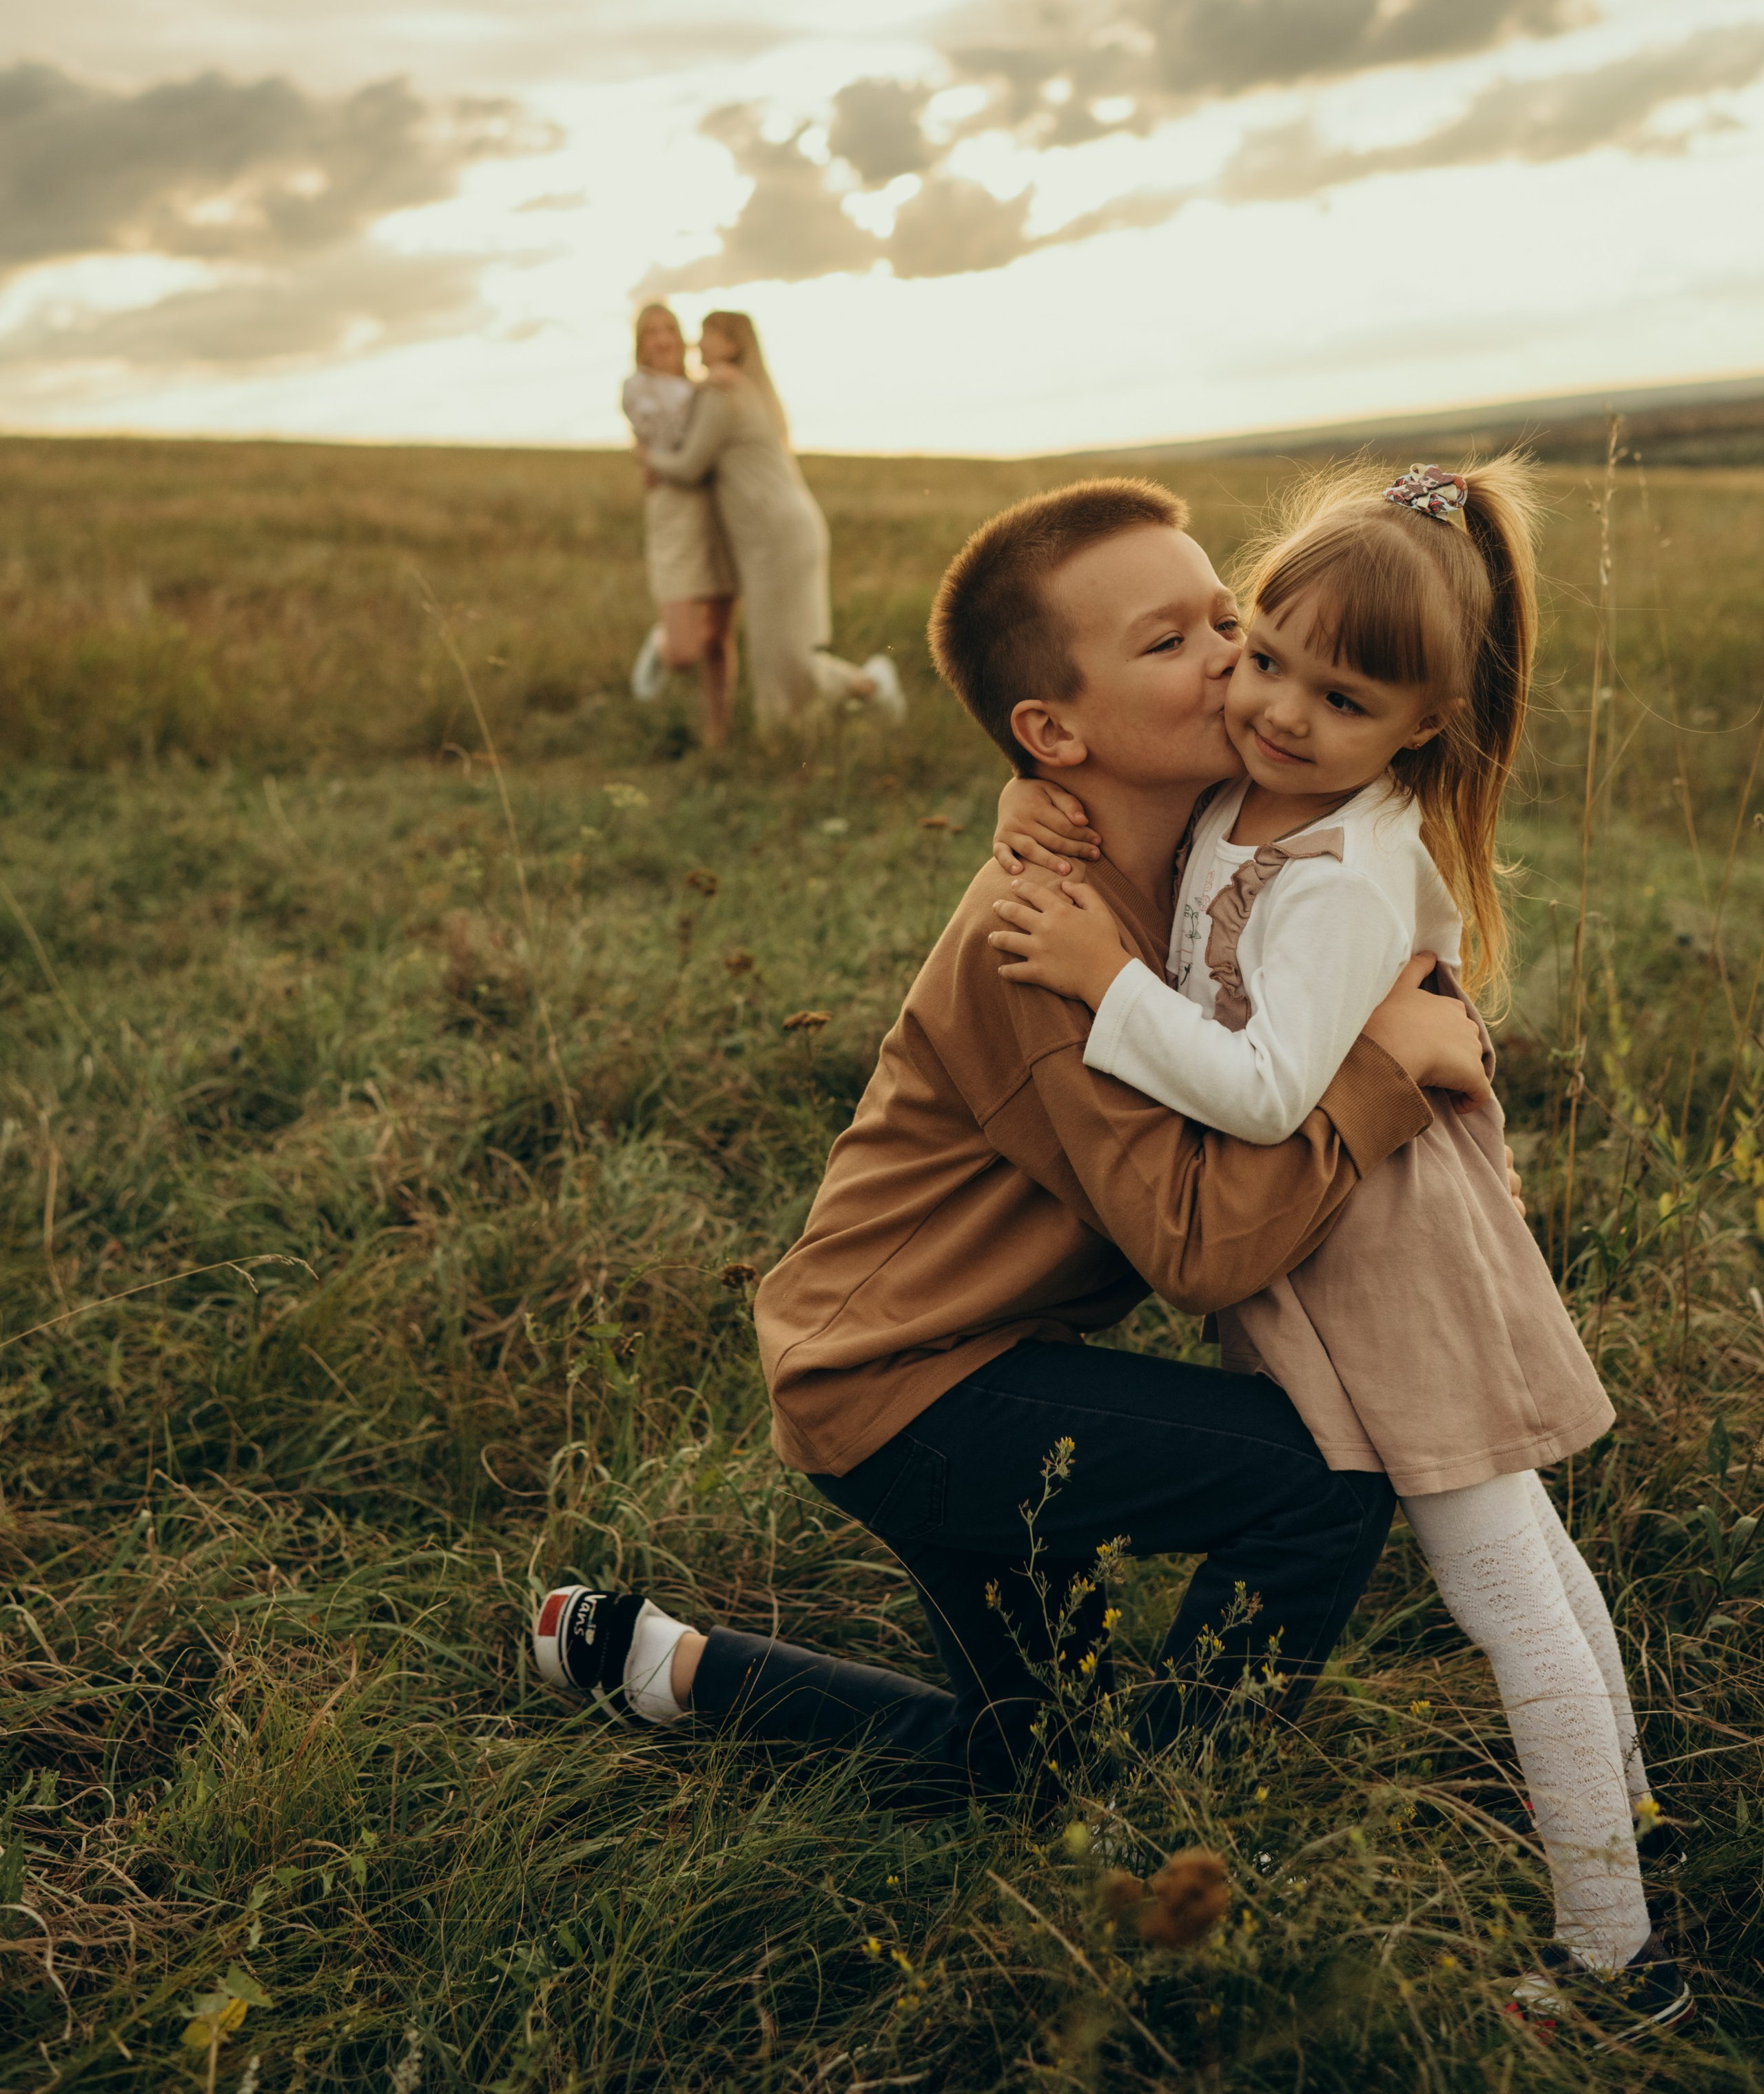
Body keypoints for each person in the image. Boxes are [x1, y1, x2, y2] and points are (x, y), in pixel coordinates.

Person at [530, 480, 1496, 1807]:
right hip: (909, 1385)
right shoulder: (1049, 942)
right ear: (1054, 727)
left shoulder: (1186, 852)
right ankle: (1171, 1829)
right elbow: (1202, 1250)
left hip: (943, 1356)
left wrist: (1027, 789)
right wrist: (1386, 1074)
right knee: (1319, 1483)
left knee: (1032, 1770)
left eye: (1229, 615)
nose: (1235, 660)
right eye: (1173, 645)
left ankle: (672, 1667)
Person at [985, 460, 1689, 2042]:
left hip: (1389, 1267)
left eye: (1343, 693)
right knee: (1533, 1560)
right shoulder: (1251, 796)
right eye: (1266, 652)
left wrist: (1103, 976)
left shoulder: (1345, 876)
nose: (1282, 708)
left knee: (1499, 1579)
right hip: (1342, 1243)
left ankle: (1613, 1957)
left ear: (1420, 724)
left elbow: (1258, 1087)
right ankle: (1634, 1825)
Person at [639, 310, 904, 731]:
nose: (697, 342)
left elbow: (689, 466)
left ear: (732, 344)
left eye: (708, 334)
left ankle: (867, 685)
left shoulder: (721, 394)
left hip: (773, 536)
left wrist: (647, 458)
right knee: (779, 652)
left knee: (783, 655)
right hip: (788, 529)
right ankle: (792, 730)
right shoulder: (748, 389)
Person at [622, 302, 738, 746]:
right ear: (641, 343)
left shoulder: (700, 385)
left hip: (716, 509)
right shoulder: (637, 387)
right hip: (673, 513)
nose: (663, 339)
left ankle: (717, 735)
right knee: (686, 651)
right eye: (652, 332)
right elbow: (672, 437)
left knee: (717, 640)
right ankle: (662, 644)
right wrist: (710, 390)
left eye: (670, 328)